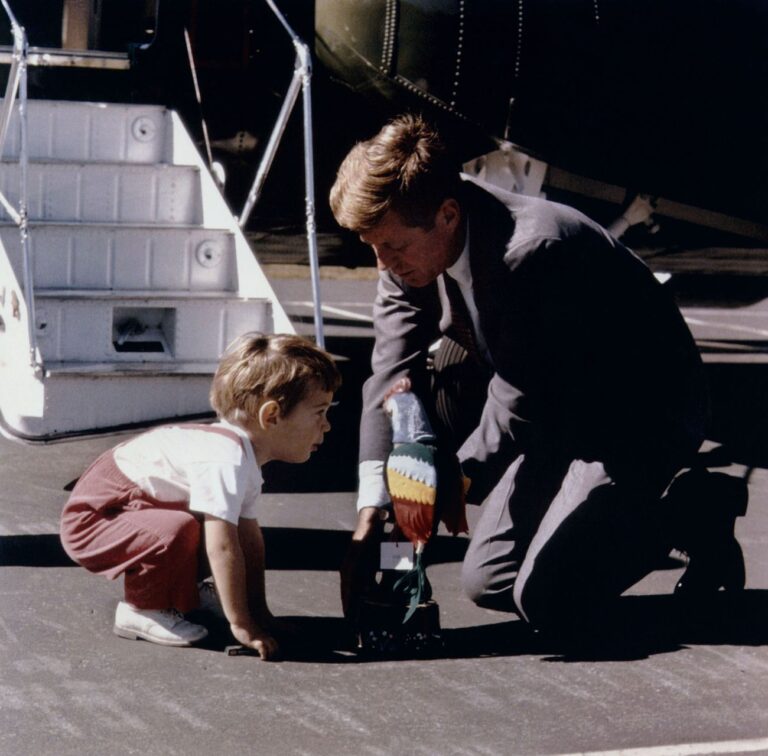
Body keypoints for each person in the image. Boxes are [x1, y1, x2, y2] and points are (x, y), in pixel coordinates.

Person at [330, 113, 746, 635]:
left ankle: (695, 510)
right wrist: (375, 508)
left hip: (639, 418)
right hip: (558, 409)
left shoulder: (533, 251)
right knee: (490, 583)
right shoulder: (407, 245)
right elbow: (390, 378)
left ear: (448, 214)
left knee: (549, 600)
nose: (383, 263)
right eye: (373, 247)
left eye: (392, 247)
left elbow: (518, 399)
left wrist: (432, 498)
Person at [60, 333, 341, 659]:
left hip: (130, 510)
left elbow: (249, 543)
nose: (328, 426)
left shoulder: (243, 458)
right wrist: (243, 625)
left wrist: (260, 614)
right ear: (272, 416)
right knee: (185, 529)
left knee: (218, 528)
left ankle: (181, 592)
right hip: (93, 520)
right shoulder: (225, 458)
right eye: (320, 412)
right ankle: (142, 608)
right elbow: (222, 548)